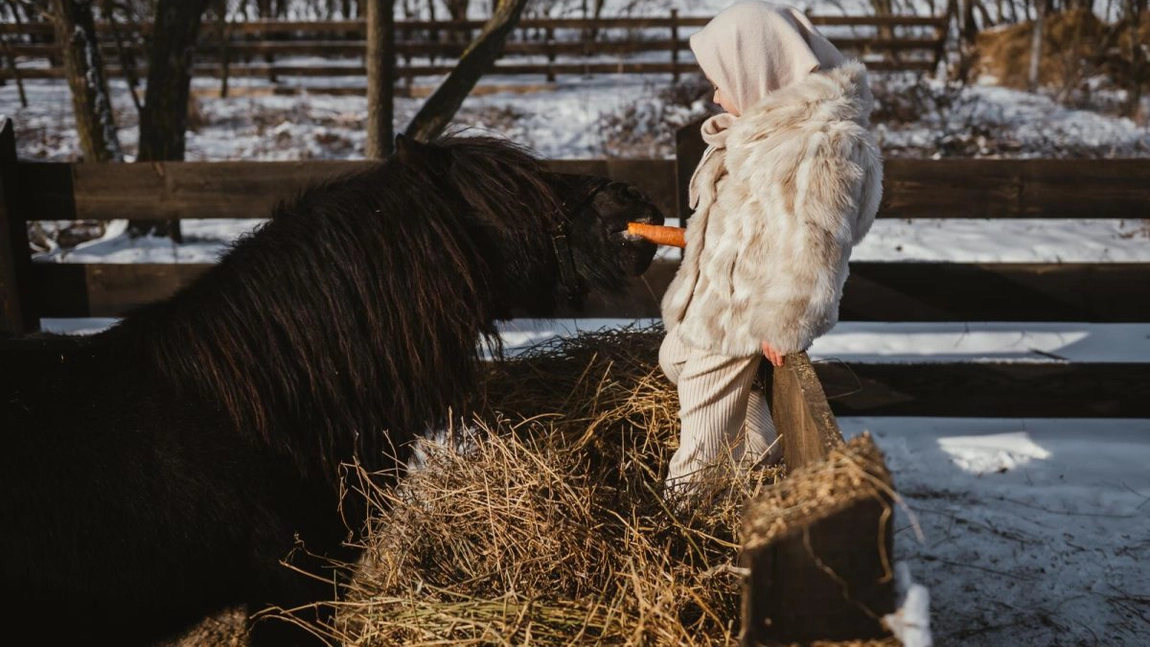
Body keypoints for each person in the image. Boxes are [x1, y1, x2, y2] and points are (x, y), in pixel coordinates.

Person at [659, 0, 883, 491]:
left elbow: (818, 243)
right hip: (715, 295)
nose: (715, 96)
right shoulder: (769, 130)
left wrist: (787, 322)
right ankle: (762, 450)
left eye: (720, 81)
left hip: (743, 308)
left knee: (702, 425)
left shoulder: (817, 145)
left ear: (756, 72)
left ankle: (686, 509)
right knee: (674, 358)